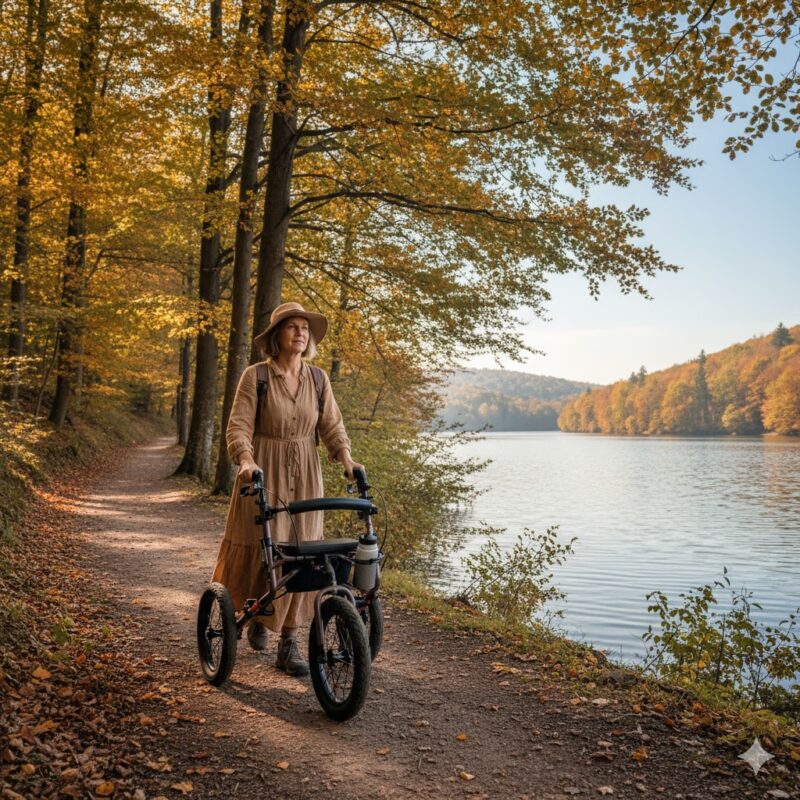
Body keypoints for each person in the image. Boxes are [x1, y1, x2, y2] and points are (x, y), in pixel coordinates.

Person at [211, 301, 363, 676]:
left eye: (305, 328)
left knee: (305, 558)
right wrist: (245, 460)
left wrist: (346, 459)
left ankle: (289, 642)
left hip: (307, 473)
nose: (300, 332)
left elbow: (331, 426)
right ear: (276, 335)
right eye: (292, 326)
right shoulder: (256, 376)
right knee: (263, 549)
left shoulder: (318, 379)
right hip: (262, 472)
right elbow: (239, 426)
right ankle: (258, 614)